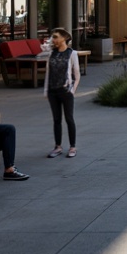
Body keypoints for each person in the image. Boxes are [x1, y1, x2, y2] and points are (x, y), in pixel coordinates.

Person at [43, 27, 80, 158]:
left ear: (64, 38)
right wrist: (46, 91)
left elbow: (76, 74)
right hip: (53, 90)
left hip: (66, 90)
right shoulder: (51, 53)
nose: (53, 39)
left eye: (56, 37)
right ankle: (57, 146)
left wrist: (72, 90)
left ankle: (72, 147)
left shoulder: (72, 53)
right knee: (56, 119)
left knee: (69, 118)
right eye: (53, 37)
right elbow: (48, 73)